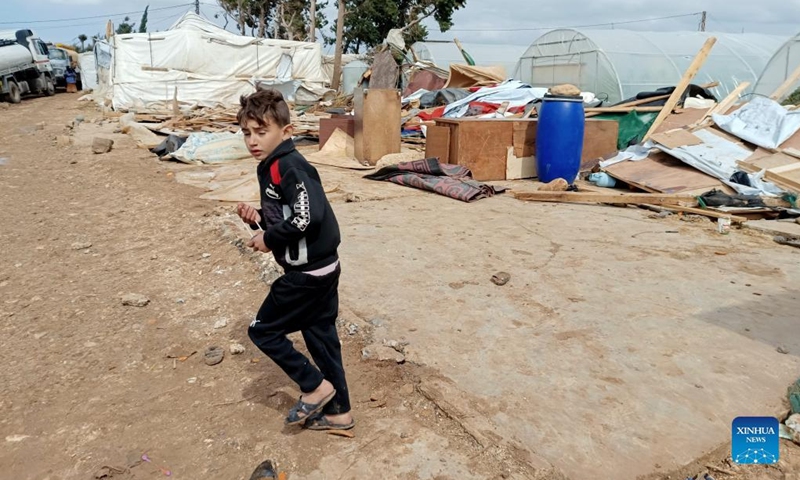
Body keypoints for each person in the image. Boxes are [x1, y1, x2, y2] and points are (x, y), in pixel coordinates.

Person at [235, 88, 354, 431]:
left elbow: (307, 217)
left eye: (262, 131)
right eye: (247, 133)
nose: (253, 141)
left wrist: (268, 239)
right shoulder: (271, 165)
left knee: (262, 331)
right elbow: (289, 214)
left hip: (306, 275)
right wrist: (257, 217)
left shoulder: (289, 166)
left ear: (285, 132)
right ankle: (339, 413)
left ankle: (314, 387)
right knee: (320, 338)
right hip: (323, 269)